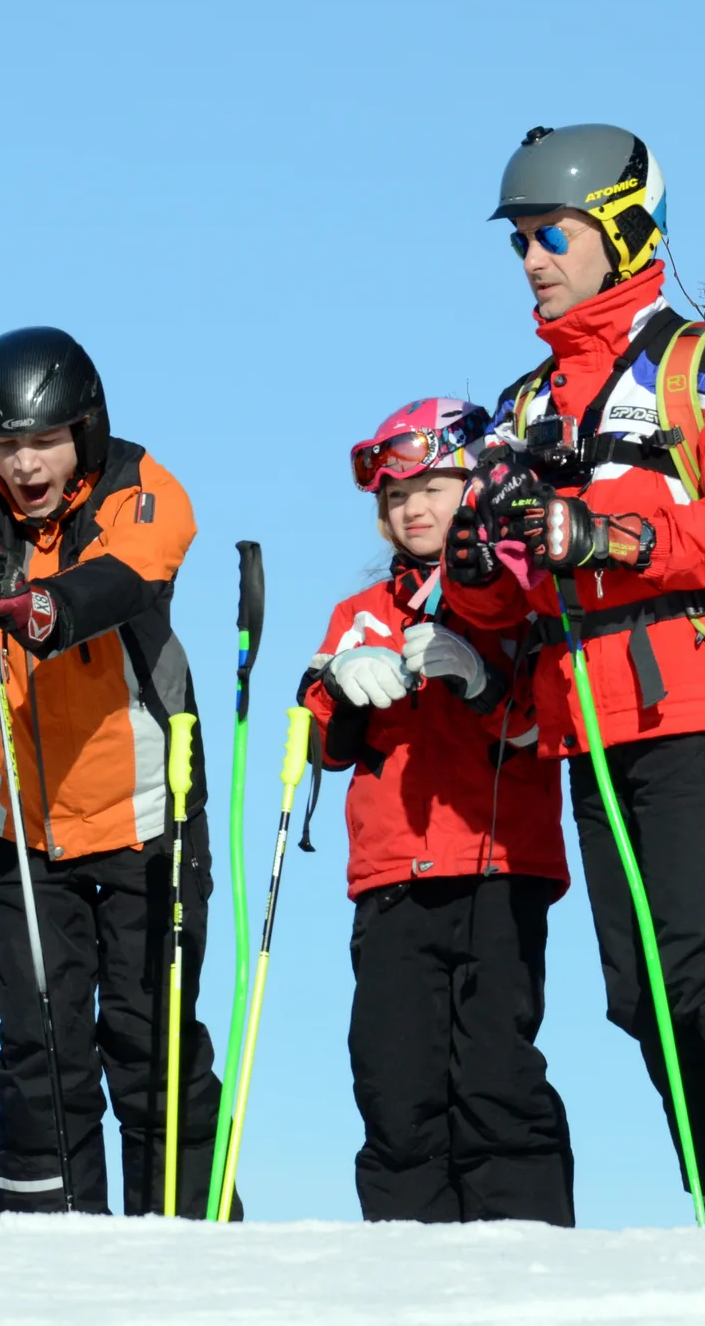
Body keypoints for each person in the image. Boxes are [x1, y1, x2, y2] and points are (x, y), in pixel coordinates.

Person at [439, 124, 705, 1228]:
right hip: (583, 714)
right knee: (637, 992)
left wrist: (613, 534)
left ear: (624, 228)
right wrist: (479, 556)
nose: (532, 259)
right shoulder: (525, 404)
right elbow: (498, 605)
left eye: (551, 234)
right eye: (519, 242)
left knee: (700, 945)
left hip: (696, 690)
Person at [0, 326, 230, 1215]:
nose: (26, 465)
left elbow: (125, 578)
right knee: (39, 1052)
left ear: (85, 428)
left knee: (149, 1040)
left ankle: (193, 1246)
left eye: (44, 440)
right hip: (21, 826)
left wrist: (36, 604)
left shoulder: (140, 484)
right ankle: (44, 1257)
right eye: (6, 444)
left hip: (147, 812)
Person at [299, 398, 575, 1224]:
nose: (412, 508)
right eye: (394, 496)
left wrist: (483, 680)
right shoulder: (361, 614)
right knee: (394, 1079)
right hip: (392, 881)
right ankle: (406, 1272)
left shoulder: (516, 601)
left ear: (476, 486)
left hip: (498, 868)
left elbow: (544, 725)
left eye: (431, 487)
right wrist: (338, 691)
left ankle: (527, 1259)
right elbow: (321, 741)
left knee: (495, 1076)